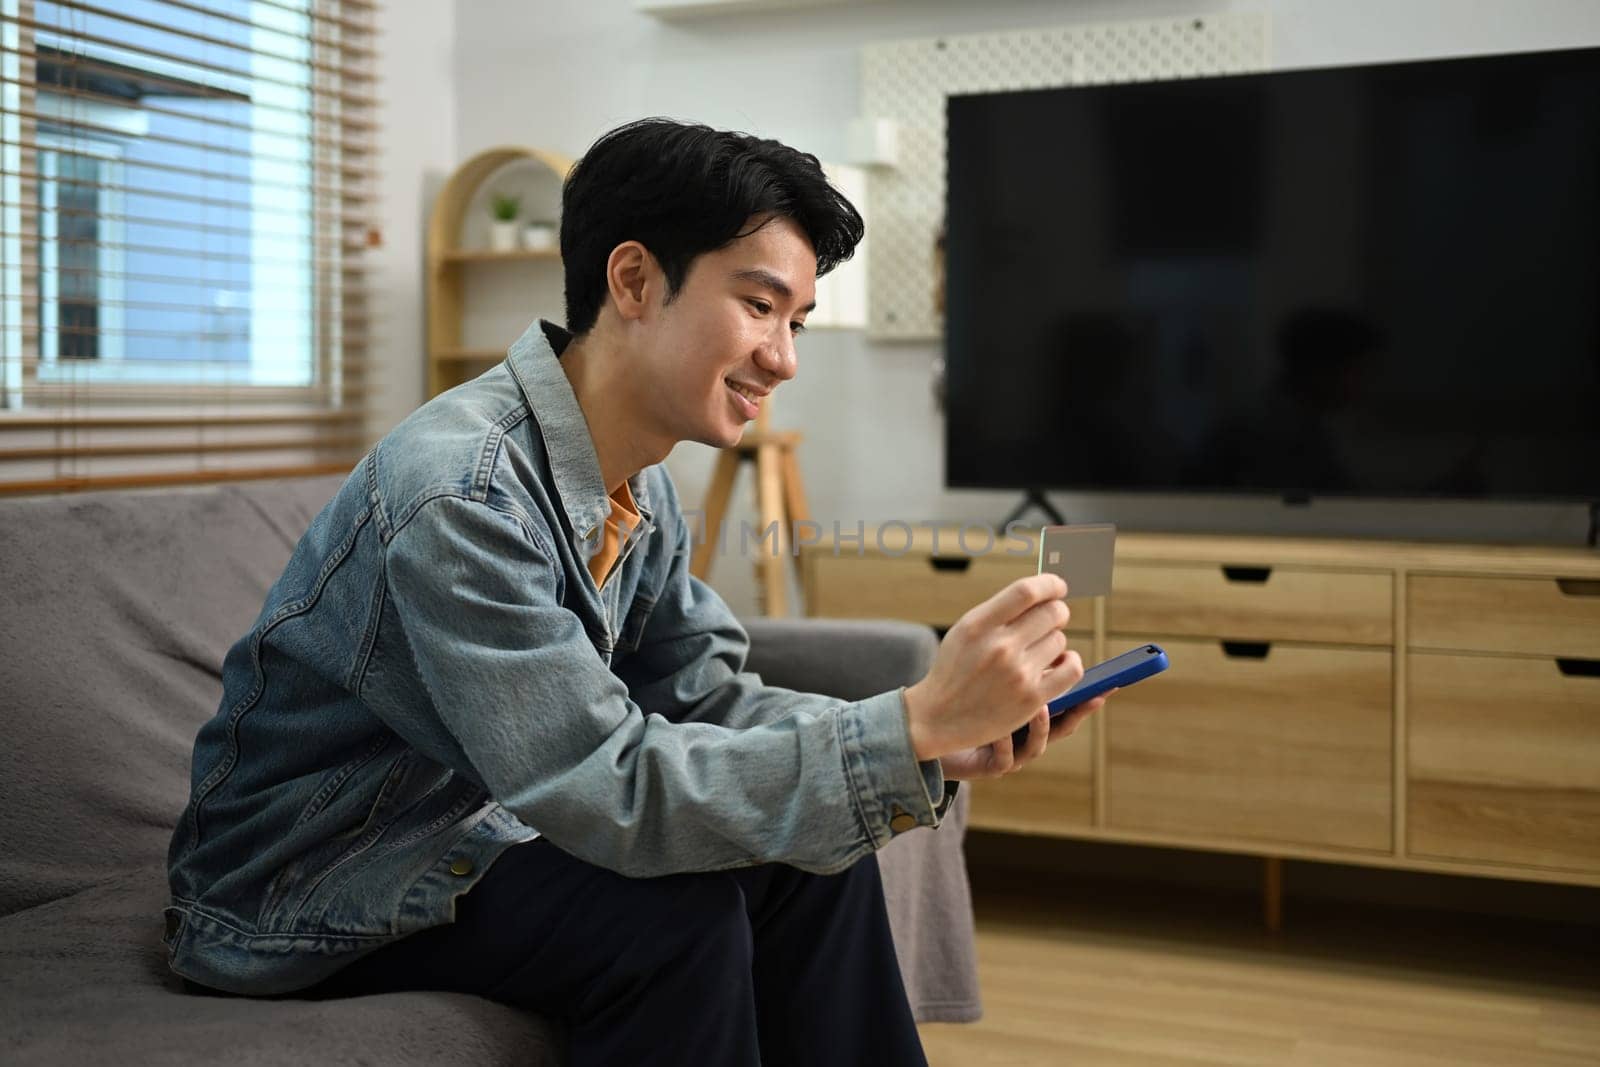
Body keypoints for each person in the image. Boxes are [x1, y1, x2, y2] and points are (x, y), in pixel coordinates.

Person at [164, 117, 1107, 1066]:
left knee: (819, 864)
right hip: (307, 880)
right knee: (674, 926)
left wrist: (932, 733)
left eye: (796, 322)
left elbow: (705, 695)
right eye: (759, 305)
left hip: (472, 824)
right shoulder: (461, 491)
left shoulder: (638, 479)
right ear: (633, 281)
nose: (783, 358)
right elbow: (603, 785)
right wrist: (904, 725)